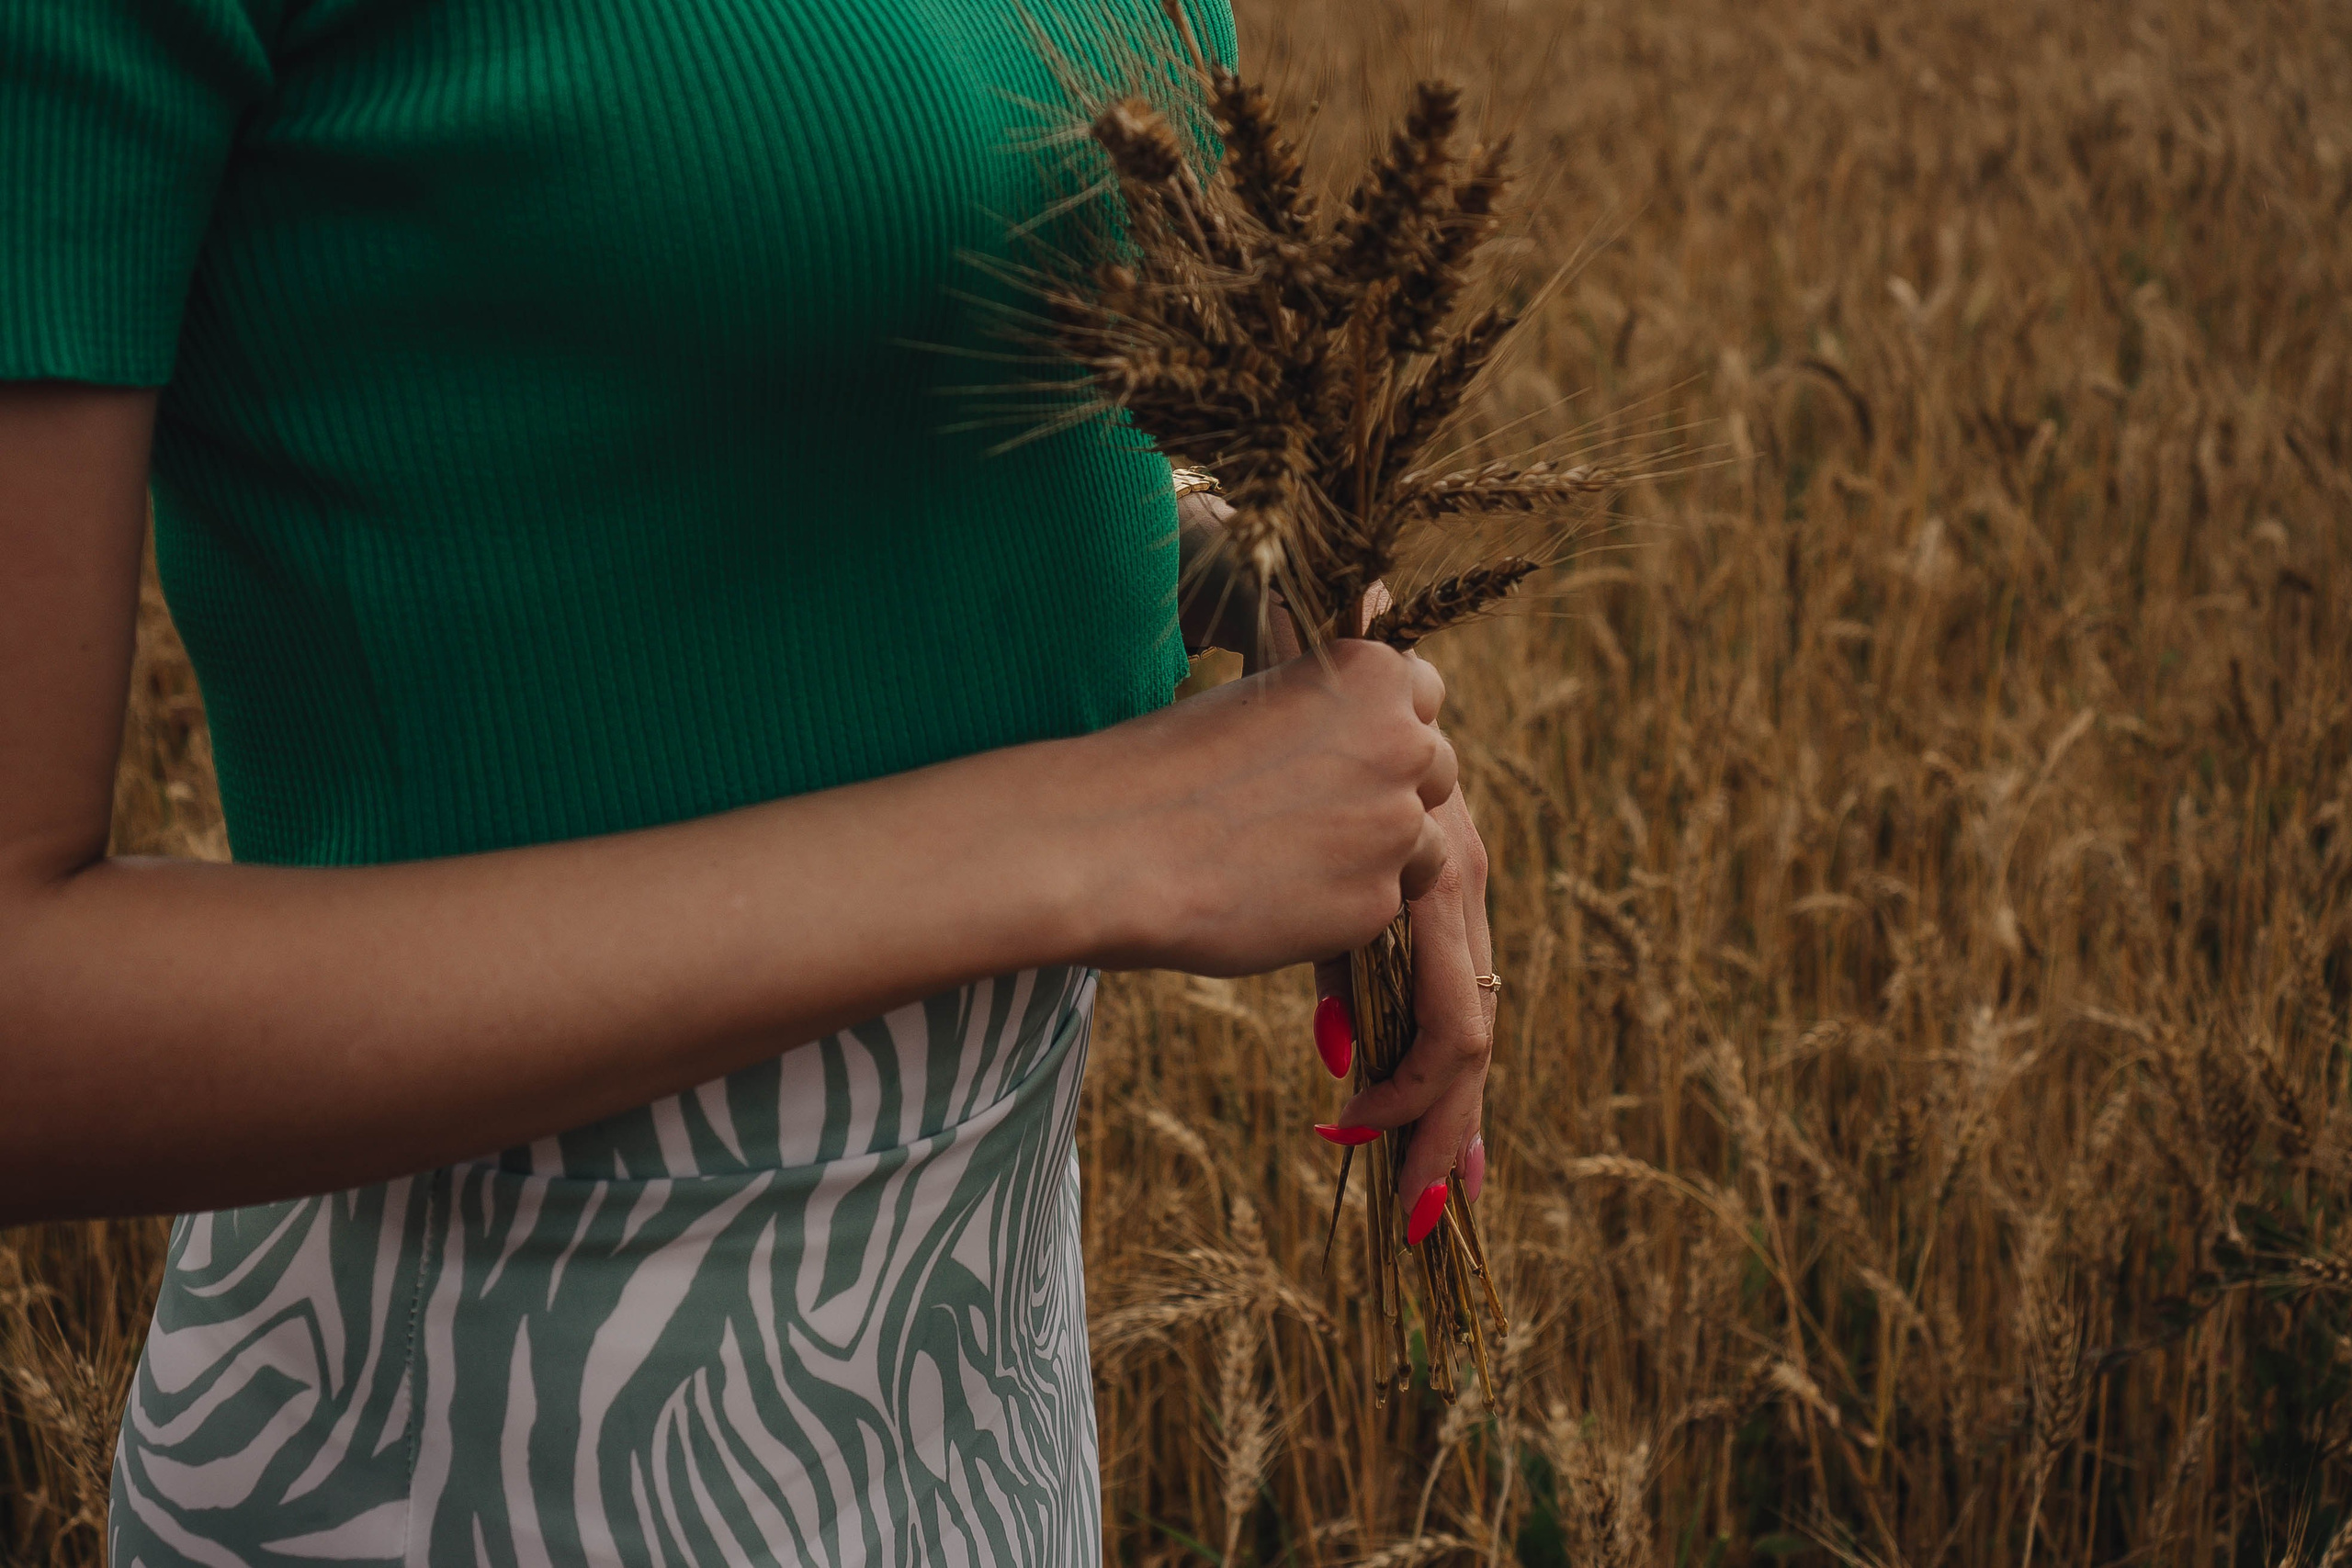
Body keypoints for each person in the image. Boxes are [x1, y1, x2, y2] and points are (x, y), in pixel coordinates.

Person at [0, 0, 1496, 1561]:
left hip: (992, 1406)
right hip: (486, 1457)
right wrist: (1105, 833)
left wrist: (1266, 599)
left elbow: (755, 402)